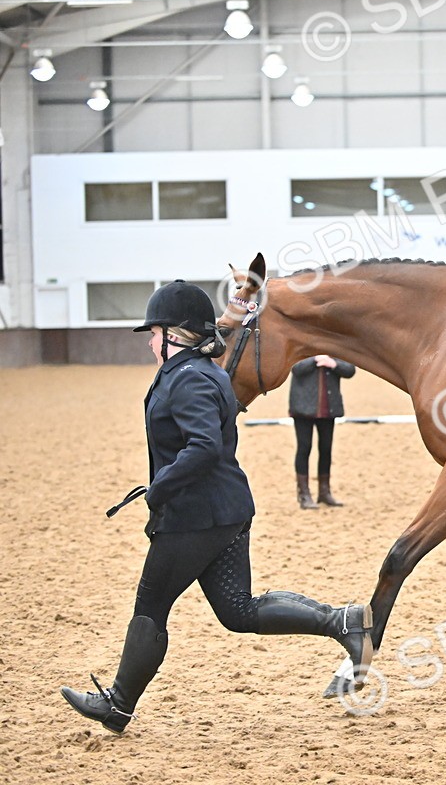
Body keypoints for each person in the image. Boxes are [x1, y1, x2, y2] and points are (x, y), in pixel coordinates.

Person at [60, 281, 372, 734]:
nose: (149, 341)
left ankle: (118, 705)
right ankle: (340, 622)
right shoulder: (202, 371)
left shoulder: (189, 378)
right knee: (238, 611)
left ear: (175, 333)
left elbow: (203, 446)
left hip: (196, 517)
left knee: (150, 605)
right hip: (224, 509)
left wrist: (158, 489)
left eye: (153, 332)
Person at [289, 355, 356, 509]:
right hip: (303, 408)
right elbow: (296, 369)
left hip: (328, 407)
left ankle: (324, 492)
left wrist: (332, 363)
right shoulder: (302, 346)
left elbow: (350, 370)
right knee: (304, 448)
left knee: (326, 449)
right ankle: (304, 494)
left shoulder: (332, 348)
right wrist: (315, 360)